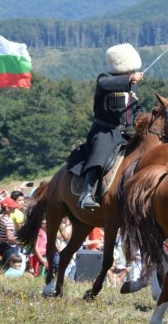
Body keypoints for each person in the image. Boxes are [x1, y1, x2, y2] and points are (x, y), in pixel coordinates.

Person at [68, 42, 144, 209]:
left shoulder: (134, 88)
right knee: (100, 154)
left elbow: (136, 109)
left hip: (125, 133)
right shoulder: (104, 79)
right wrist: (128, 79)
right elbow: (105, 84)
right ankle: (86, 193)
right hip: (104, 131)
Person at [0, 197, 20, 266]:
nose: (15, 208)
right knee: (9, 265)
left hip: (1, 245)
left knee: (2, 265)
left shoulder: (1, 218)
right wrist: (18, 242)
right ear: (7, 208)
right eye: (13, 207)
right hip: (8, 247)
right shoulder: (9, 221)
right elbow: (9, 238)